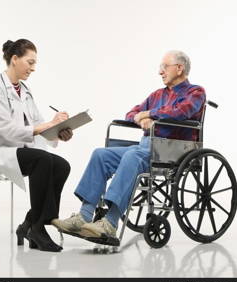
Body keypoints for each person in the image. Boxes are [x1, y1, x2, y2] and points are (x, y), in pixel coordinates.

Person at [52, 50, 206, 240]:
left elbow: (180, 112)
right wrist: (141, 117)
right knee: (101, 154)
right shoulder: (157, 94)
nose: (160, 72)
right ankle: (84, 216)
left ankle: (110, 222)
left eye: (164, 67)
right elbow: (131, 113)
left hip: (172, 150)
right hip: (146, 145)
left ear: (179, 68)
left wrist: (150, 114)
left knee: (132, 157)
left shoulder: (196, 92)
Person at [0, 39, 73, 252]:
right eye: (29, 62)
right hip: (1, 150)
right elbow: (7, 130)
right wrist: (47, 125)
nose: (33, 68)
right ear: (14, 59)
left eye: (34, 64)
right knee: (42, 160)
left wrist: (58, 131)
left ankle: (31, 223)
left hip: (21, 150)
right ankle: (38, 229)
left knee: (62, 166)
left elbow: (38, 123)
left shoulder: (25, 89)